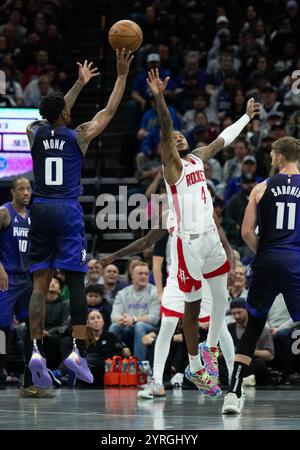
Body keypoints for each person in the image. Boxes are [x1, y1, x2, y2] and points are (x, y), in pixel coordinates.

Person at [146, 68, 260, 396]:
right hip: (188, 244)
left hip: (210, 236)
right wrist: (159, 97)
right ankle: (195, 366)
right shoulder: (172, 166)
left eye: (183, 135)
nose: (180, 137)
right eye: (175, 138)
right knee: (192, 307)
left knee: (221, 297)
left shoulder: (196, 158)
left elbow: (223, 139)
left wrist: (245, 117)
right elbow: (166, 128)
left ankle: (208, 352)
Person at [25, 49, 134, 391]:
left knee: (39, 285)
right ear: (66, 112)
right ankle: (77, 351)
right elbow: (110, 110)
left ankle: (35, 351)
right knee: (76, 283)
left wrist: (76, 85)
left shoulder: (34, 133)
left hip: (40, 208)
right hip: (67, 210)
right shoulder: (80, 135)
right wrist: (120, 75)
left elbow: (53, 113)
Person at [100, 211, 236, 399]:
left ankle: (234, 381)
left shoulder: (206, 210)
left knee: (220, 327)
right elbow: (145, 242)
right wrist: (113, 256)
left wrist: (232, 268)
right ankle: (156, 380)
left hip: (205, 278)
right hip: (177, 277)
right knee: (167, 325)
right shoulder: (167, 215)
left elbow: (225, 244)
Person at [223, 136, 300, 414]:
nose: (270, 160)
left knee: (253, 327)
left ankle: (232, 393)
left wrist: (264, 253)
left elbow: (245, 233)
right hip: (295, 261)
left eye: (271, 156)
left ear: (279, 157)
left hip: (267, 259)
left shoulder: (260, 188)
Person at [0, 177, 32, 388]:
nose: (26, 193)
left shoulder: (32, 216)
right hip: (7, 277)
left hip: (26, 279)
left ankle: (32, 371)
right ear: (12, 192)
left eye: (28, 189)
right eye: (21, 189)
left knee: (32, 324)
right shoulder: (4, 212)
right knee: (2, 326)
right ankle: (0, 369)